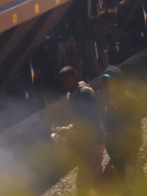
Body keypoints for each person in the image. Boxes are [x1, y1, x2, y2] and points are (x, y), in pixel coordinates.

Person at [55, 66, 104, 196]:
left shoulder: (84, 93)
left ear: (76, 78)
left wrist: (69, 129)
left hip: (93, 144)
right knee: (97, 183)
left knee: (83, 185)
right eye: (63, 81)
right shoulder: (72, 94)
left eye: (68, 80)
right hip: (86, 146)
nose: (65, 84)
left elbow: (90, 119)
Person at [98, 66, 143, 184]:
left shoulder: (129, 100)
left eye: (112, 81)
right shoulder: (107, 102)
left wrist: (133, 150)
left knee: (135, 184)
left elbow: (135, 127)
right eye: (107, 82)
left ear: (119, 81)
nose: (109, 84)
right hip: (115, 153)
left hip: (127, 152)